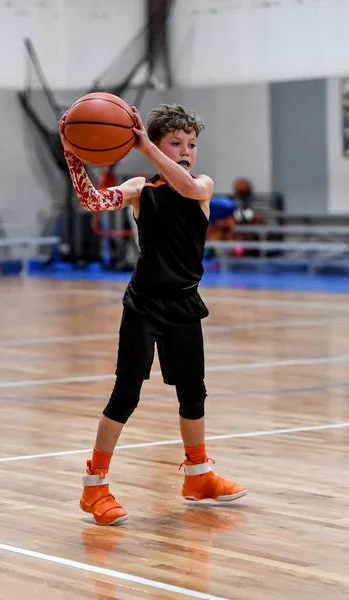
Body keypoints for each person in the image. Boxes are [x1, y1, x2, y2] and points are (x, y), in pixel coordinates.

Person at [59, 103, 248, 526]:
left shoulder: (202, 184)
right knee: (125, 395)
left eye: (191, 144)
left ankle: (198, 477)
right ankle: (95, 487)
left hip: (184, 302)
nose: (185, 151)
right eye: (175, 143)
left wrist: (147, 147)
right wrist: (72, 154)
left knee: (193, 393)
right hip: (144, 305)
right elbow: (92, 200)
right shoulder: (140, 188)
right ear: (156, 142)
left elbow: (185, 186)